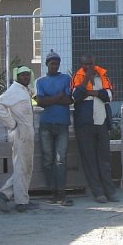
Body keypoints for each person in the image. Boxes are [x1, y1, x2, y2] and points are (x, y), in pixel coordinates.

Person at [72, 55, 119, 202]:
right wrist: (87, 79)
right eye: (85, 65)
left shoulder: (103, 76)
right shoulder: (78, 77)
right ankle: (98, 192)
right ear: (81, 65)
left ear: (94, 63)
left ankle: (109, 191)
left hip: (101, 122)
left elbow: (109, 96)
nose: (89, 67)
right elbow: (76, 95)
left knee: (104, 158)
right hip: (85, 124)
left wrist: (93, 92)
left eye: (91, 64)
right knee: (89, 159)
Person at [0, 66, 38, 212]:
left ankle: (15, 197)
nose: (25, 77)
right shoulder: (14, 90)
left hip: (27, 134)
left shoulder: (24, 90)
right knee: (21, 167)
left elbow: (33, 94)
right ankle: (19, 201)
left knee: (26, 167)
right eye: (22, 75)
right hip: (21, 134)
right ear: (17, 77)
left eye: (27, 75)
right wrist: (11, 123)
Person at [34, 50, 73, 206]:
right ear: (47, 65)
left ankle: (62, 193)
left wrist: (50, 98)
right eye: (52, 64)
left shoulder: (66, 78)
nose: (54, 66)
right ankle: (53, 192)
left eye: (57, 64)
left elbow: (69, 100)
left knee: (61, 160)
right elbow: (40, 102)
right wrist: (58, 96)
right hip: (46, 124)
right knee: (48, 159)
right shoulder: (40, 81)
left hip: (62, 124)